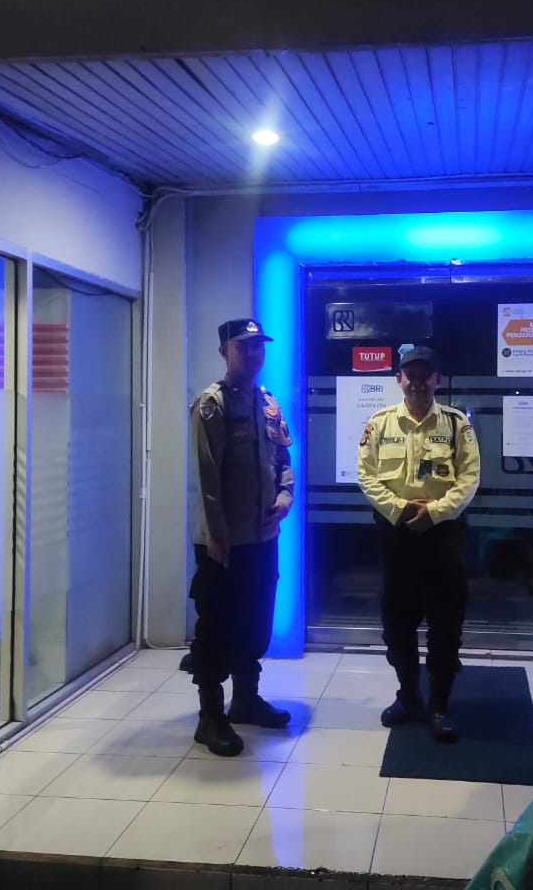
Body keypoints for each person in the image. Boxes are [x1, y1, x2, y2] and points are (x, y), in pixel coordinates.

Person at [357, 346, 481, 743]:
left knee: (446, 625)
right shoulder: (379, 423)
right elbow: (366, 474)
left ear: (437, 380)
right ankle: (408, 695)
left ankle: (439, 704)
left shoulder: (456, 424)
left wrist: (436, 511)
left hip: (443, 537)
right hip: (396, 536)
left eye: (425, 375)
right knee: (397, 623)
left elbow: (470, 478)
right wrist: (399, 509)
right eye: (410, 375)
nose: (417, 382)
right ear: (399, 379)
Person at [188, 317, 295, 756]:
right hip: (224, 542)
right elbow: (207, 477)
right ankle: (210, 717)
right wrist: (217, 534)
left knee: (255, 622)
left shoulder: (267, 402)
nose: (252, 354)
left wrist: (285, 496)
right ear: (224, 352)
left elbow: (282, 457)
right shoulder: (211, 404)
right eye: (243, 346)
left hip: (263, 537)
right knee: (217, 627)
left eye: (257, 347)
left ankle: (246, 700)